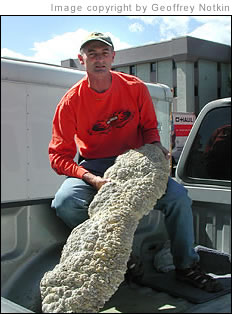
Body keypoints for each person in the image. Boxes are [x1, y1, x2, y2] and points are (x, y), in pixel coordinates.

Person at [48, 32, 222, 292]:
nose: (99, 59)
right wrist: (91, 179)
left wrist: (155, 146)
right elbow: (58, 156)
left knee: (178, 198)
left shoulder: (134, 87)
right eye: (92, 54)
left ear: (113, 57)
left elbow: (149, 127)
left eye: (104, 53)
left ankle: (186, 266)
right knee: (64, 202)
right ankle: (122, 255)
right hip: (94, 165)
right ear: (81, 59)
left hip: (135, 163)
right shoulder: (71, 102)